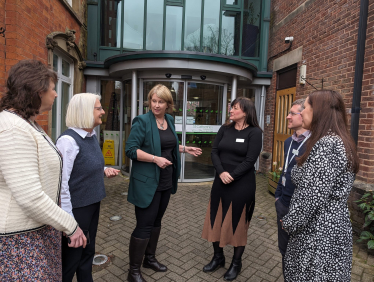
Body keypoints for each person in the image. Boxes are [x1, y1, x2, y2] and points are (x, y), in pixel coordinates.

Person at [0, 60, 87, 281]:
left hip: (38, 231)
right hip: (20, 241)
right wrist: (71, 225)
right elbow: (30, 197)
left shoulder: (27, 123)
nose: (56, 94)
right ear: (38, 91)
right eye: (53, 88)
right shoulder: (12, 128)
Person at [125, 84, 202, 282]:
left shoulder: (168, 120)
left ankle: (149, 259)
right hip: (146, 183)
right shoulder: (141, 121)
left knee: (157, 222)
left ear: (169, 104)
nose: (156, 105)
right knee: (144, 225)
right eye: (153, 101)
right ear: (149, 101)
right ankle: (133, 272)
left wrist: (185, 149)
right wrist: (154, 159)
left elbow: (168, 144)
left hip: (166, 180)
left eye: (161, 101)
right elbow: (131, 150)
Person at [281, 90, 360, 281]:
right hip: (331, 226)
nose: (302, 112)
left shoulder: (328, 144)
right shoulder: (340, 140)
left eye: (306, 107)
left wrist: (290, 222)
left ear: (318, 111)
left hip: (318, 232)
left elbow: (312, 195)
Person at [56, 93, 120, 281]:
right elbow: (62, 184)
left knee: (87, 255)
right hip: (77, 209)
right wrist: (68, 222)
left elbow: (83, 165)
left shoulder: (90, 135)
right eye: (98, 108)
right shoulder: (67, 141)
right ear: (85, 111)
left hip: (92, 205)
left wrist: (104, 169)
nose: (103, 111)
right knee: (71, 261)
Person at [201, 97, 263, 281]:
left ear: (245, 111)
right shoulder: (224, 129)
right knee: (216, 218)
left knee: (238, 222)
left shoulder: (255, 132)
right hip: (221, 181)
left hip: (242, 184)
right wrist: (221, 172)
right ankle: (218, 257)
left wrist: (232, 175)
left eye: (235, 108)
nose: (231, 110)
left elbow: (250, 160)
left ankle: (236, 263)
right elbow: (214, 151)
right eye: (231, 107)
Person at [274, 98, 309, 275]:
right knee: (284, 250)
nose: (287, 117)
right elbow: (285, 169)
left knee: (301, 254)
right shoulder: (288, 141)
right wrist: (278, 196)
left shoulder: (314, 144)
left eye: (292, 113)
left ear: (304, 115)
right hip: (283, 204)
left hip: (302, 209)